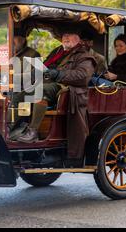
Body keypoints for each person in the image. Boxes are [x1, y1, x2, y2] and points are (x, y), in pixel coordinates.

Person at [14, 28, 96, 168]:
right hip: (49, 82)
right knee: (18, 94)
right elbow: (45, 67)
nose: (65, 37)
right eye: (64, 34)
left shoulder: (85, 56)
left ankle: (32, 131)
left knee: (40, 91)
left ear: (78, 38)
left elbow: (82, 76)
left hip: (66, 88)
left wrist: (58, 74)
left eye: (69, 34)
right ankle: (15, 128)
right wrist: (33, 74)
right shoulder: (57, 52)